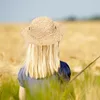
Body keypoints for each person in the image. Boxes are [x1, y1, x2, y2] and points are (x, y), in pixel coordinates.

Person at [18, 16, 71, 100]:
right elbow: (66, 96)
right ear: (55, 44)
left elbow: (22, 98)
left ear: (31, 46)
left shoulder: (24, 72)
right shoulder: (63, 69)